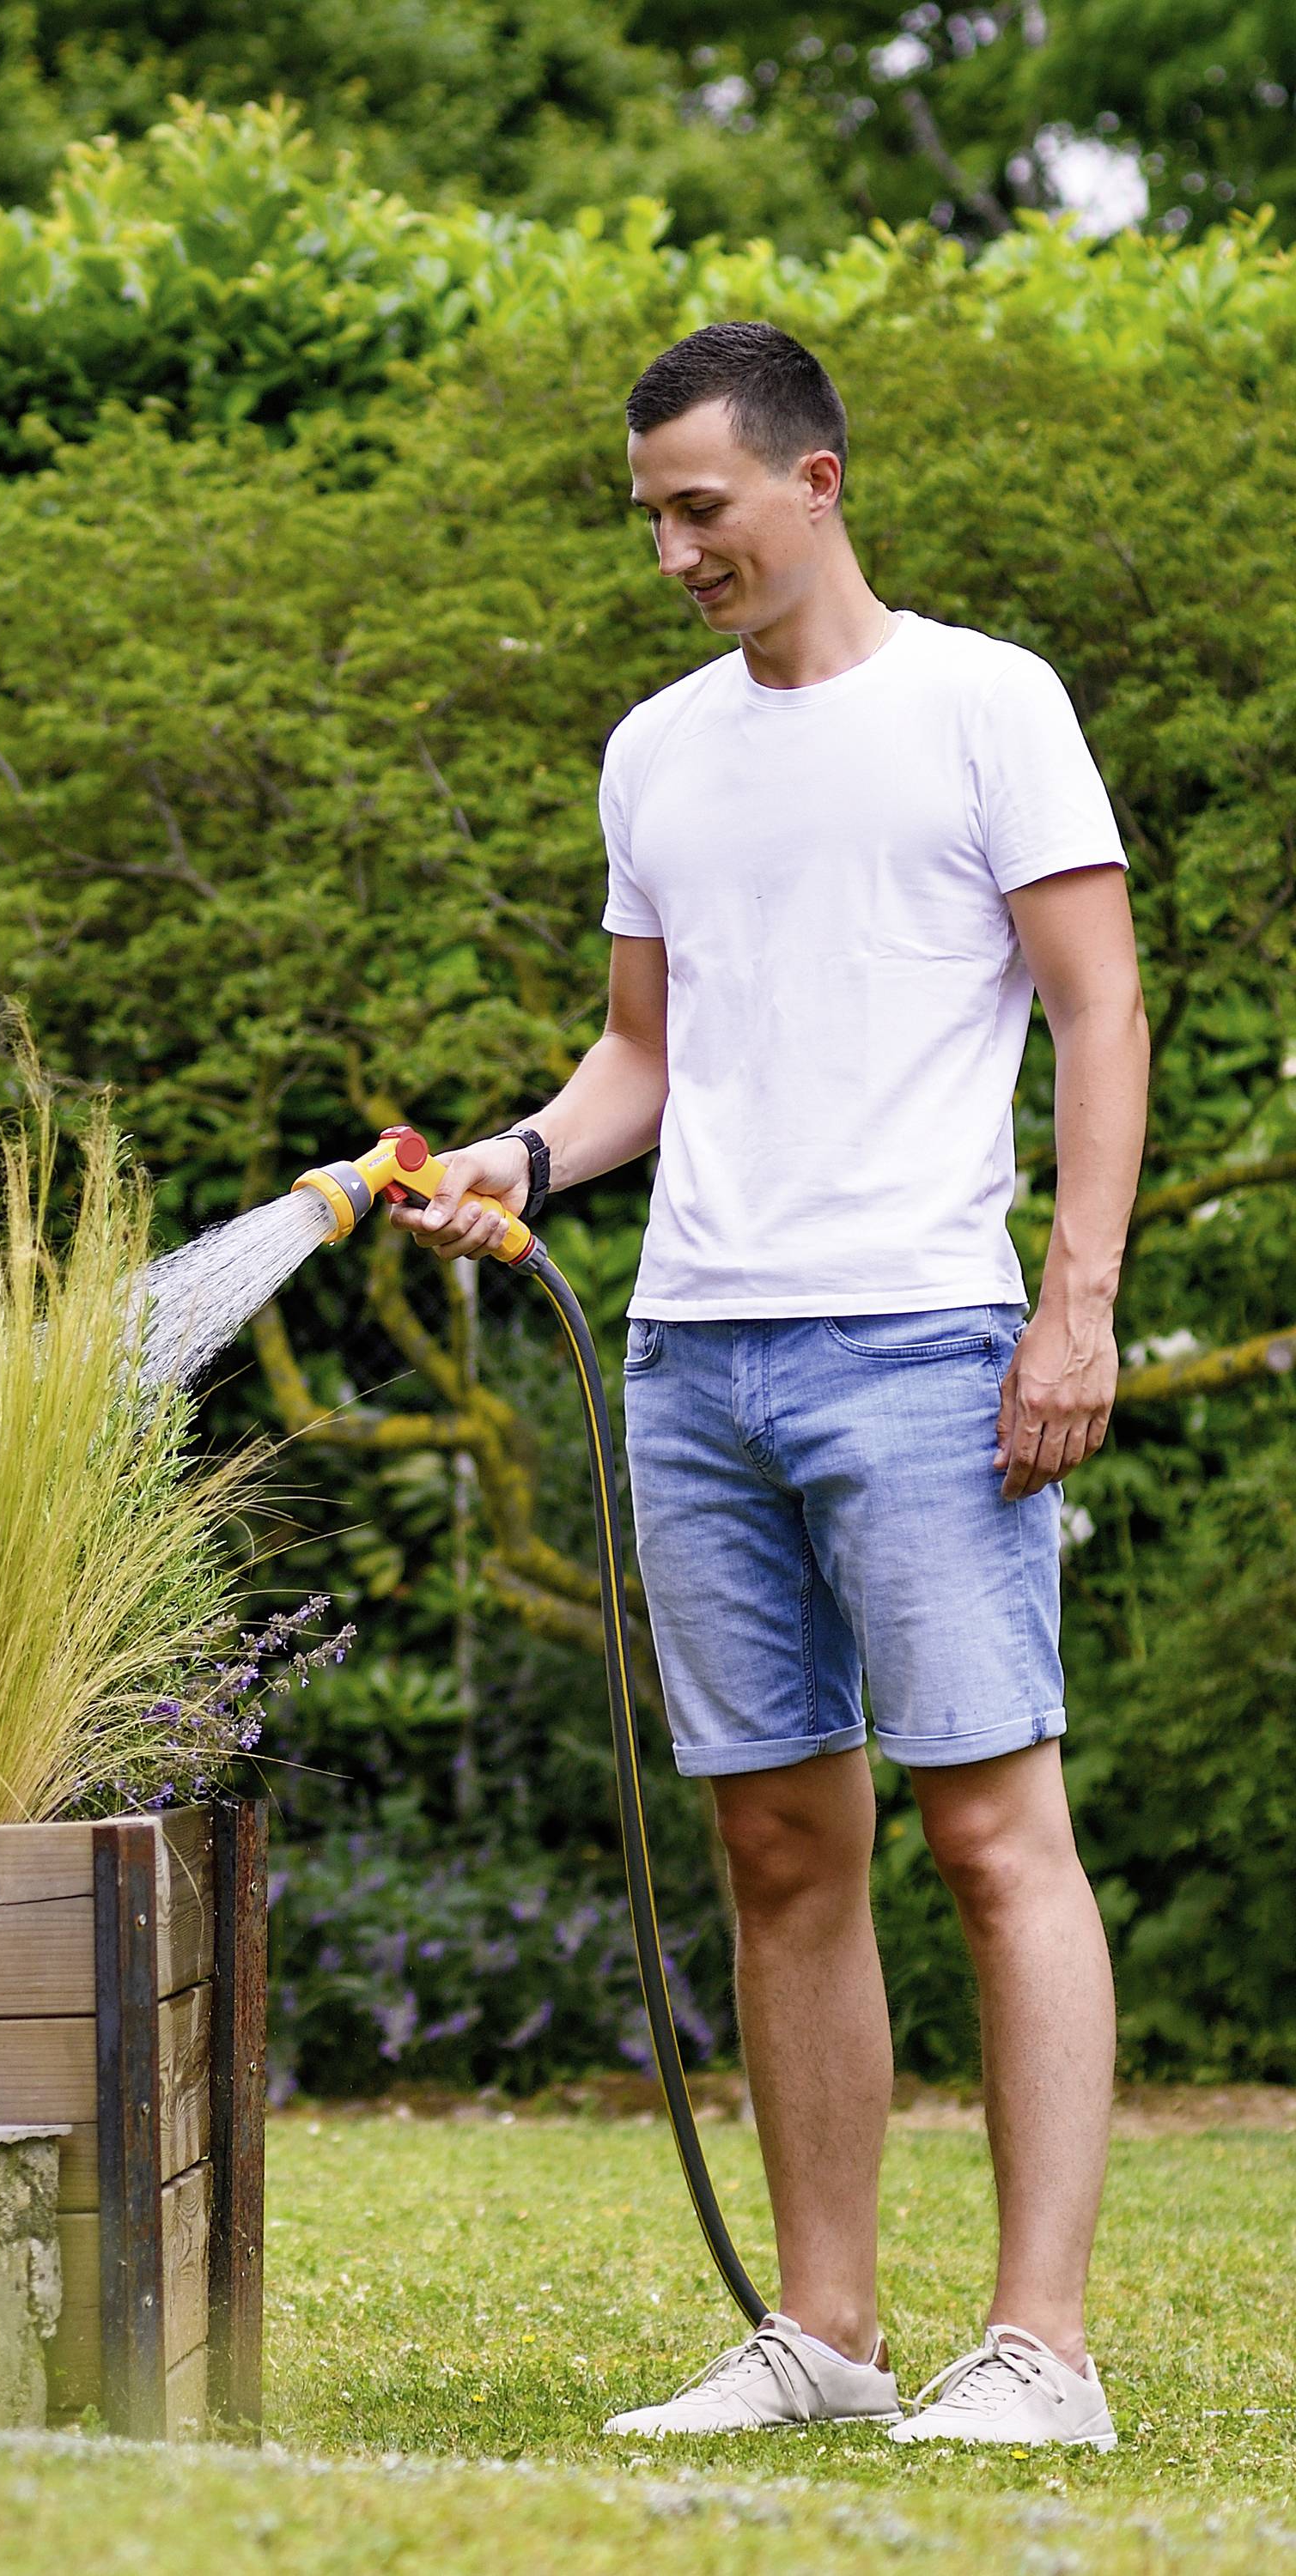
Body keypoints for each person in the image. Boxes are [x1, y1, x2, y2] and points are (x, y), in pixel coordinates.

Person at [391, 321, 1148, 2450]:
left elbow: (1097, 1012)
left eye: (698, 508)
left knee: (994, 1834)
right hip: (692, 1355)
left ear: (814, 482)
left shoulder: (986, 704)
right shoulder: (656, 752)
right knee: (781, 1852)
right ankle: (825, 2332)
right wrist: (519, 1159)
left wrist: (1068, 1299)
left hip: (922, 1336)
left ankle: (1042, 2350)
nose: (670, 552)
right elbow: (644, 1056)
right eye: (647, 515)